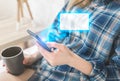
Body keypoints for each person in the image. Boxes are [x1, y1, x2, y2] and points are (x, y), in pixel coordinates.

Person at [23, 0, 120, 81]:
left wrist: (72, 60)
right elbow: (56, 37)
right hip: (39, 71)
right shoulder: (76, 3)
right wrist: (35, 56)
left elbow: (117, 74)